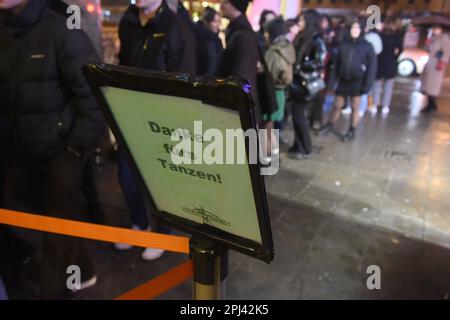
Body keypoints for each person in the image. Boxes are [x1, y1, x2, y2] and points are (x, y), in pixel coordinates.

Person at [0, 0, 106, 298]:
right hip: (19, 153)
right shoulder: (5, 30)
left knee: (56, 238)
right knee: (35, 220)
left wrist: (73, 150)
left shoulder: (63, 29)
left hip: (60, 154)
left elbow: (95, 98)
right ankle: (83, 267)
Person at [115, 0, 195, 260]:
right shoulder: (127, 22)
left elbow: (185, 81)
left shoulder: (175, 26)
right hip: (129, 117)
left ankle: (162, 232)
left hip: (163, 122)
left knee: (161, 184)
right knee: (127, 179)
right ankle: (140, 224)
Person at [320, 17, 377, 142]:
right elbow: (336, 64)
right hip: (343, 80)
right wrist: (332, 82)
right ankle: (330, 125)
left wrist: (367, 85)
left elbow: (372, 67)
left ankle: (352, 130)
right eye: (352, 28)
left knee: (355, 107)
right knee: (337, 105)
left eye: (357, 28)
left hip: (358, 81)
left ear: (361, 30)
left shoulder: (367, 46)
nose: (354, 30)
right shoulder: (343, 44)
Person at [288, 10, 327, 160]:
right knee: (297, 115)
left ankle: (305, 148)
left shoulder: (316, 39)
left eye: (302, 20)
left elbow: (320, 61)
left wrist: (302, 65)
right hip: (297, 82)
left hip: (305, 83)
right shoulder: (303, 36)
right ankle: (298, 145)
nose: (300, 23)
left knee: (299, 115)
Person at [219, 0, 261, 122]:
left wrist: (230, 99)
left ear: (234, 6)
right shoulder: (237, 29)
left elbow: (242, 74)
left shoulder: (243, 34)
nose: (222, 5)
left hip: (240, 107)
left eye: (225, 2)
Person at [263, 16, 296, 157]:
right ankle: (274, 153)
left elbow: (267, 74)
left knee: (267, 128)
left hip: (271, 93)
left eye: (267, 32)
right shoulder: (287, 47)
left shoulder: (272, 52)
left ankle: (268, 157)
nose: (265, 35)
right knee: (272, 127)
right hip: (281, 92)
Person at [371, 19, 402, 116]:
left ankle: (374, 105)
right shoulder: (397, 37)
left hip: (380, 62)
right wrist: (395, 57)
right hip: (391, 63)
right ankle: (385, 105)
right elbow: (400, 49)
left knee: (377, 85)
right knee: (388, 86)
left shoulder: (380, 36)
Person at [421, 24, 450, 113]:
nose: (434, 30)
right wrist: (427, 44)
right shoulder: (433, 38)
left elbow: (447, 51)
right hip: (430, 62)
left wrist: (442, 62)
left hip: (437, 64)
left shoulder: (444, 37)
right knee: (428, 84)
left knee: (433, 85)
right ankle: (430, 104)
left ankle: (432, 105)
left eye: (436, 28)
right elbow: (428, 50)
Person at [194, 7, 224, 76]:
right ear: (206, 22)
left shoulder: (217, 40)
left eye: (219, 21)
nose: (218, 25)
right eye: (215, 21)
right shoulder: (198, 37)